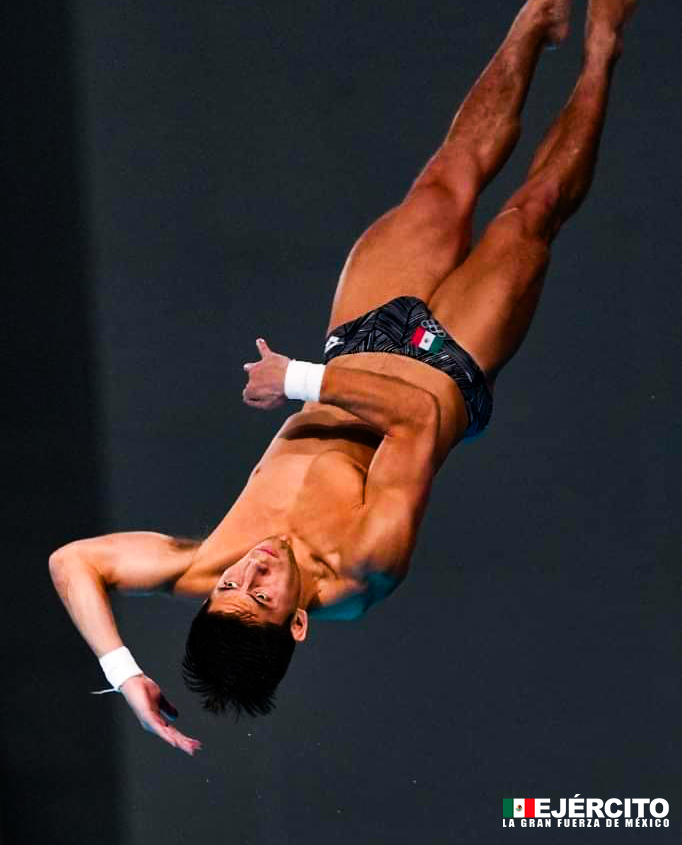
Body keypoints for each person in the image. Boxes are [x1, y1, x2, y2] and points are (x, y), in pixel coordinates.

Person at [49, 0, 637, 756]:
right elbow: (416, 421)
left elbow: (74, 561)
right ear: (297, 620)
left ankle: (534, 22)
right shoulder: (366, 565)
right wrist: (295, 378)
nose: (250, 569)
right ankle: (602, 46)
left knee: (443, 179)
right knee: (531, 212)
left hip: (355, 342)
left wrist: (125, 673)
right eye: (262, 594)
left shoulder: (209, 569)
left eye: (232, 586)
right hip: (446, 367)